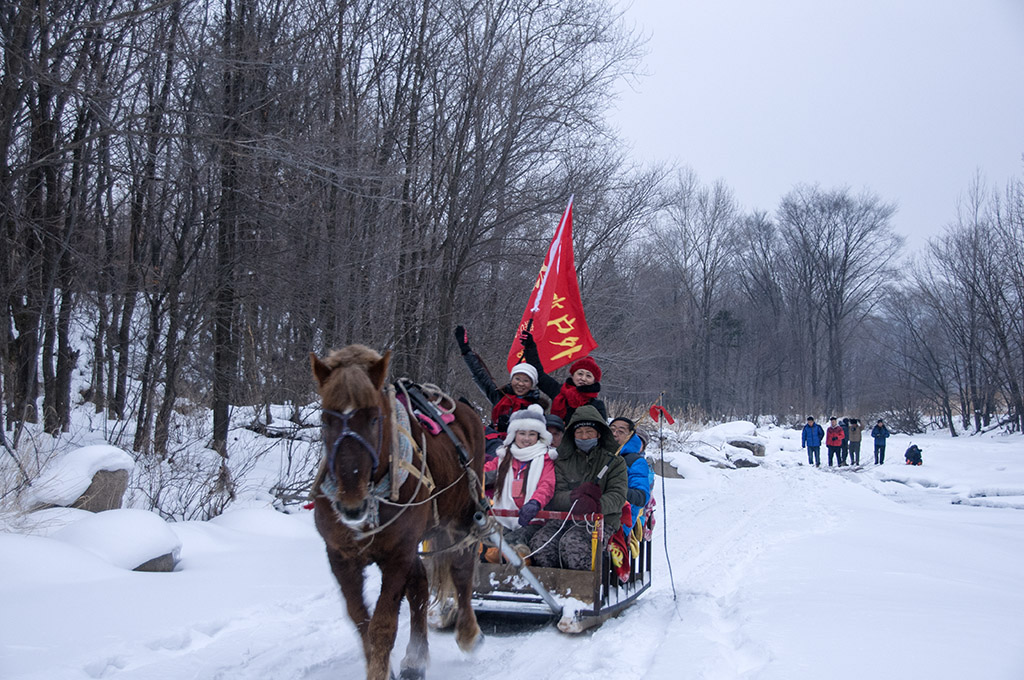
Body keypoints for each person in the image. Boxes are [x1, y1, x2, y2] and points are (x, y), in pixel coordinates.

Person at [528, 405, 627, 570]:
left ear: (599, 434)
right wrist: (574, 497)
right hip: (565, 519)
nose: (584, 436)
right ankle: (550, 583)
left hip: (600, 521)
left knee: (573, 544)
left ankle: (586, 586)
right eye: (579, 432)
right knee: (541, 543)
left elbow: (618, 495)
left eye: (589, 432)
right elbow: (555, 495)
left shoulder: (615, 463)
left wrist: (597, 505)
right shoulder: (562, 461)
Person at [454, 325, 549, 456]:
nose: (520, 384)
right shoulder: (501, 397)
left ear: (532, 384)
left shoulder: (535, 407)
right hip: (495, 446)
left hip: (521, 451)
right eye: (517, 379)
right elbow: (480, 376)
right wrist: (465, 350)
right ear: (512, 380)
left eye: (526, 381)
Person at [482, 404, 557, 562]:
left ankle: (518, 557)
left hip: (531, 517)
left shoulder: (545, 458)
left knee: (519, 539)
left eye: (531, 434)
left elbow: (547, 484)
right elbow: (485, 473)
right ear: (514, 434)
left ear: (539, 436)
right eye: (522, 433)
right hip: (504, 514)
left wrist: (535, 502)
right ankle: (492, 557)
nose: (526, 439)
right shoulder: (504, 457)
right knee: (490, 534)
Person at [519, 331, 607, 422]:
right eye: (580, 374)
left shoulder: (596, 404)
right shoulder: (559, 391)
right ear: (572, 376)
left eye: (588, 376)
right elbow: (539, 374)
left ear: (594, 381)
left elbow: (602, 429)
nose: (583, 378)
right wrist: (530, 347)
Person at [608, 417, 655, 533]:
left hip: (619, 522)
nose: (615, 434)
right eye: (612, 430)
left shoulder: (635, 461)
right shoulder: (598, 455)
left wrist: (614, 492)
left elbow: (641, 496)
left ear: (630, 436)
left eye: (621, 431)